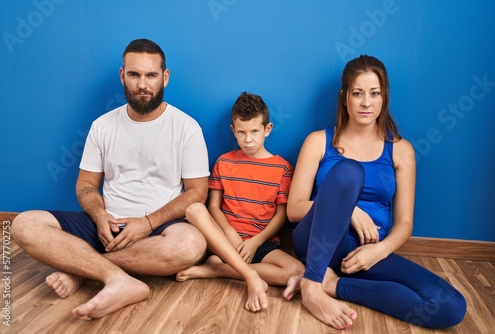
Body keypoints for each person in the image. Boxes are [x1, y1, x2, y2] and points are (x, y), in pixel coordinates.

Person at [11, 39, 210, 320]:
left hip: (159, 228)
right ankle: (118, 278)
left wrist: (148, 223)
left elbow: (197, 193)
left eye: (151, 75)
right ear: (122, 76)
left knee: (191, 244)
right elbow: (86, 185)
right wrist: (100, 214)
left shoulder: (186, 128)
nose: (143, 84)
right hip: (105, 225)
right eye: (134, 74)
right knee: (24, 225)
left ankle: (81, 271)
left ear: (164, 77)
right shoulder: (102, 126)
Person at [286, 55, 466, 330]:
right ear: (345, 97)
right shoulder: (318, 141)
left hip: (364, 252)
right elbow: (294, 208)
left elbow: (405, 223)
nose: (366, 103)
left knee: (451, 307)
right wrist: (349, 211)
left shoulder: (401, 150)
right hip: (317, 242)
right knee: (349, 171)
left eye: (374, 93)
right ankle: (312, 285)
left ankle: (332, 284)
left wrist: (379, 251)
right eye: (358, 93)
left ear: (384, 97)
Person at [176, 92, 304, 311]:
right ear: (233, 131)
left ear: (267, 129)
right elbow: (213, 206)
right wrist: (227, 231)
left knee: (298, 272)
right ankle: (244, 272)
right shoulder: (224, 162)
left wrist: (255, 241)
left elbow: (282, 214)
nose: (248, 139)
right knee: (195, 209)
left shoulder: (282, 168)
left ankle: (218, 270)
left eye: (255, 131)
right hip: (224, 239)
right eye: (242, 132)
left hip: (260, 242)